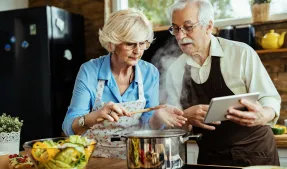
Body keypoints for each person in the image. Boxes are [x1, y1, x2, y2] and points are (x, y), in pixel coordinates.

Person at [165, 0, 281, 166]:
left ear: (208, 26)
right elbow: (174, 127)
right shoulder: (174, 71)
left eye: (188, 27)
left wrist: (263, 114)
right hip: (210, 158)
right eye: (175, 28)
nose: (180, 36)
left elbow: (270, 99)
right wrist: (186, 118)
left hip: (255, 154)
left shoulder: (241, 53)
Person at [62, 8, 187, 159]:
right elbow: (69, 127)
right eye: (130, 44)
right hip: (93, 159)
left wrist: (157, 117)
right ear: (112, 44)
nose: (137, 51)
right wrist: (94, 117)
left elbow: (146, 126)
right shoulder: (90, 71)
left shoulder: (149, 73)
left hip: (134, 158)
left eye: (142, 44)